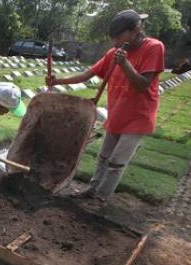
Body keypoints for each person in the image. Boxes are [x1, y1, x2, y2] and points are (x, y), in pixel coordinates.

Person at [46, 9, 165, 206]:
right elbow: (87, 75)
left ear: (134, 31)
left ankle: (101, 198)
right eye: (112, 37)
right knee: (103, 157)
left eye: (118, 36)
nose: (114, 42)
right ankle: (92, 191)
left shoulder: (153, 47)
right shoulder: (113, 53)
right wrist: (58, 80)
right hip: (117, 113)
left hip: (138, 116)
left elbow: (143, 84)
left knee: (116, 162)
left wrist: (125, 63)